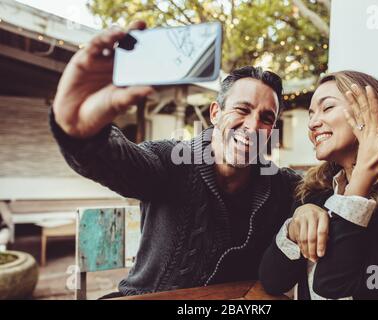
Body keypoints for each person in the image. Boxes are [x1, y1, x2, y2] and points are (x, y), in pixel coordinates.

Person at [50, 21, 300, 296]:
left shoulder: (280, 185)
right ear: (215, 113)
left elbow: (318, 189)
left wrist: (310, 207)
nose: (252, 127)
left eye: (266, 118)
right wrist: (80, 134)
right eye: (242, 109)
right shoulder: (170, 160)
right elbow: (118, 162)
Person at [259, 70, 378, 299]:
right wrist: (293, 228)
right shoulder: (314, 192)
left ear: (370, 113)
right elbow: (272, 280)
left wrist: (358, 185)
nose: (312, 123)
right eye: (311, 114)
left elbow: (333, 288)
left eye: (327, 107)